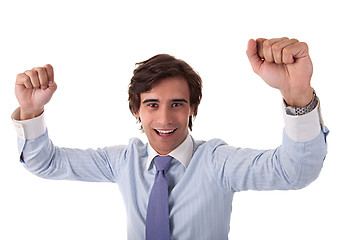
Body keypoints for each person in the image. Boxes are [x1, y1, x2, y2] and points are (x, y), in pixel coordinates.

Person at [12, 37, 328, 240]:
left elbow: (294, 171)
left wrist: (296, 94)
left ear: (192, 108)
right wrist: (31, 110)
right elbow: (45, 162)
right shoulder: (123, 162)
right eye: (152, 105)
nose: (164, 119)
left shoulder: (217, 162)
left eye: (177, 104)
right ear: (136, 110)